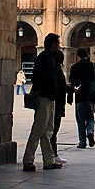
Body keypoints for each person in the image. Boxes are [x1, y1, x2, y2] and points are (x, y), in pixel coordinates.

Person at [22, 33, 62, 171]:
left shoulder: (51, 58)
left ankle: (48, 160)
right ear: (51, 44)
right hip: (44, 97)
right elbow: (36, 78)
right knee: (38, 129)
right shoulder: (43, 58)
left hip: (51, 98)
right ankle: (28, 160)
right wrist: (42, 91)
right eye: (57, 43)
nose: (59, 45)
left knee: (47, 131)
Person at [68, 49, 95, 148]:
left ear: (78, 56)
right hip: (90, 96)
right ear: (87, 54)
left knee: (80, 120)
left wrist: (70, 97)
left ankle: (82, 142)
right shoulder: (93, 66)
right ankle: (90, 131)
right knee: (90, 117)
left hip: (79, 97)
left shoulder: (74, 67)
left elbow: (71, 84)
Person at [49, 50, 69, 164]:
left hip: (55, 103)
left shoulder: (54, 69)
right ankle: (53, 155)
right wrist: (69, 89)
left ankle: (52, 155)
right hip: (56, 104)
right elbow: (60, 87)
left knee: (51, 131)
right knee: (53, 130)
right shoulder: (57, 70)